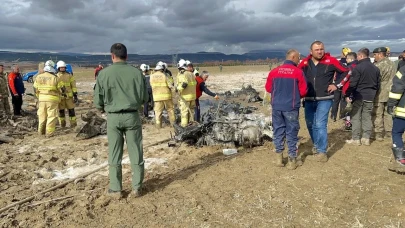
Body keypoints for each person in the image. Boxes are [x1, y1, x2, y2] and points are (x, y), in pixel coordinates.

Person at [93, 43, 149, 199]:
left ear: (112, 56)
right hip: (132, 116)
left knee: (114, 153)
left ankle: (115, 189)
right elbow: (145, 98)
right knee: (136, 151)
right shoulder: (137, 73)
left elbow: (98, 101)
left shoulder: (103, 74)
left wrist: (104, 108)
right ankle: (137, 187)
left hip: (113, 117)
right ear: (127, 56)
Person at [298, 41, 349, 162]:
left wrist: (337, 85)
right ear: (311, 51)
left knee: (320, 124)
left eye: (321, 49)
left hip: (325, 98)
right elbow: (296, 74)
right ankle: (316, 145)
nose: (320, 51)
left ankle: (322, 151)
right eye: (317, 50)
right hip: (309, 98)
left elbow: (347, 72)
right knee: (310, 124)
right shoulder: (305, 62)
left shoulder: (331, 61)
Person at [265, 49, 307, 169]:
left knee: (278, 131)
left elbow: (268, 88)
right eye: (298, 57)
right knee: (291, 133)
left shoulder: (274, 71)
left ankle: (279, 159)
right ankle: (292, 161)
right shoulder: (298, 72)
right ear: (293, 57)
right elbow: (304, 90)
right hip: (291, 107)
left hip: (276, 107)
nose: (299, 60)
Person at [345, 48, 380, 146]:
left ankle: (356, 139)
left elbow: (353, 83)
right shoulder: (375, 68)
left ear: (360, 56)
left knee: (356, 117)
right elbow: (378, 84)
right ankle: (366, 138)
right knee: (367, 117)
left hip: (359, 95)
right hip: (370, 96)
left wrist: (347, 94)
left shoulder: (358, 68)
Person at [34, 60, 64, 137]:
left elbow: (35, 89)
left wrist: (39, 96)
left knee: (42, 116)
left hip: (41, 99)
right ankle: (49, 133)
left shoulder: (38, 77)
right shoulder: (55, 78)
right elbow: (61, 89)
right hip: (52, 100)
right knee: (51, 116)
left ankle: (41, 132)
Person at [372, 47, 396, 141]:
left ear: (380, 54)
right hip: (391, 92)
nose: (374, 57)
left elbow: (375, 80)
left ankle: (378, 134)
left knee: (377, 114)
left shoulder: (378, 66)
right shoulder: (392, 63)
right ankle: (389, 133)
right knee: (388, 113)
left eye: (375, 55)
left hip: (380, 93)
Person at [387, 65, 405, 166]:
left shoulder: (403, 70)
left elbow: (397, 88)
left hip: (403, 111)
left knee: (397, 132)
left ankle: (401, 159)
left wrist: (391, 104)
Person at [336, 52, 358, 131]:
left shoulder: (350, 68)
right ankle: (355, 124)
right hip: (358, 91)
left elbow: (345, 79)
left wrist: (338, 85)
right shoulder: (359, 66)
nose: (346, 60)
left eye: (347, 58)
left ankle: (348, 124)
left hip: (348, 90)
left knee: (347, 108)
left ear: (351, 59)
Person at [150, 61, 175, 128]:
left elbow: (151, 86)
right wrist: (174, 93)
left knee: (158, 112)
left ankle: (158, 126)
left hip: (157, 97)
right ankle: (173, 125)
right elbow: (171, 85)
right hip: (167, 96)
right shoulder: (165, 75)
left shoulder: (151, 76)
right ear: (162, 69)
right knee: (170, 110)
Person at [331, 47, 351, 121]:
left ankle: (333, 115)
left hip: (337, 83)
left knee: (336, 101)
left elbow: (334, 74)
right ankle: (342, 116)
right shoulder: (349, 63)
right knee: (343, 101)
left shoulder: (338, 62)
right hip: (345, 84)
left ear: (343, 53)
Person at [56, 60, 78, 128]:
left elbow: (73, 85)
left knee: (71, 111)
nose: (62, 68)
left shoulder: (69, 75)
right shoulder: (56, 76)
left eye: (63, 67)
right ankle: (62, 124)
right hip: (61, 98)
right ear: (58, 68)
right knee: (61, 112)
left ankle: (73, 124)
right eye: (61, 67)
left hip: (69, 97)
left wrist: (75, 94)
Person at [176, 59, 197, 127]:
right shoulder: (191, 74)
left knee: (184, 113)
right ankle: (191, 126)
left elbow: (184, 84)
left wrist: (177, 89)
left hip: (185, 97)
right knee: (191, 112)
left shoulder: (182, 73)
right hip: (193, 97)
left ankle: (184, 127)